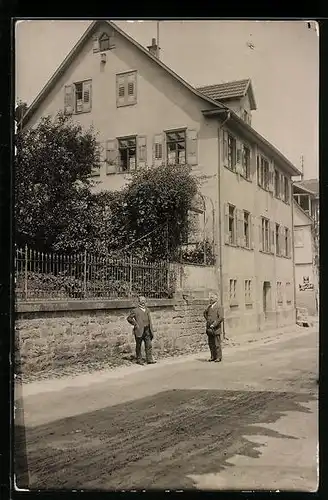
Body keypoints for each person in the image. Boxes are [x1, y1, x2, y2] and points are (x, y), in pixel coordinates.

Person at [127, 296, 156, 365]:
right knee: (138, 345)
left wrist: (150, 328)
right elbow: (129, 318)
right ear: (139, 302)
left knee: (148, 345)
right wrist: (135, 324)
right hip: (139, 330)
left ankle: (149, 359)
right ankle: (139, 359)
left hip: (147, 330)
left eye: (144, 300)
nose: (143, 302)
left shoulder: (147, 310)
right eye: (141, 300)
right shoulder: (135, 310)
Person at [203, 292, 224, 362]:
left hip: (216, 328)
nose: (210, 299)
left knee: (217, 343)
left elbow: (220, 318)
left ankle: (218, 357)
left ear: (216, 298)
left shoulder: (219, 306)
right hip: (209, 328)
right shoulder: (209, 307)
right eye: (210, 297)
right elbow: (204, 313)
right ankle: (212, 356)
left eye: (212, 297)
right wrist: (208, 321)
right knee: (211, 343)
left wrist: (214, 324)